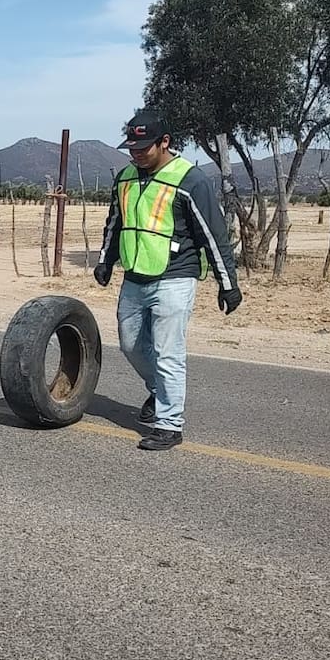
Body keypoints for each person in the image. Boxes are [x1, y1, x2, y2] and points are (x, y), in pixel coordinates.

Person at [94, 109, 242, 451]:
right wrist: (106, 260)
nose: (136, 153)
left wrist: (228, 283)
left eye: (144, 146)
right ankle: (160, 392)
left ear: (165, 142)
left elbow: (213, 234)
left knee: (167, 352)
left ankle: (169, 425)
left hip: (175, 277)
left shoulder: (190, 179)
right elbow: (115, 222)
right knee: (130, 345)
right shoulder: (126, 178)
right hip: (134, 276)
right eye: (132, 146)